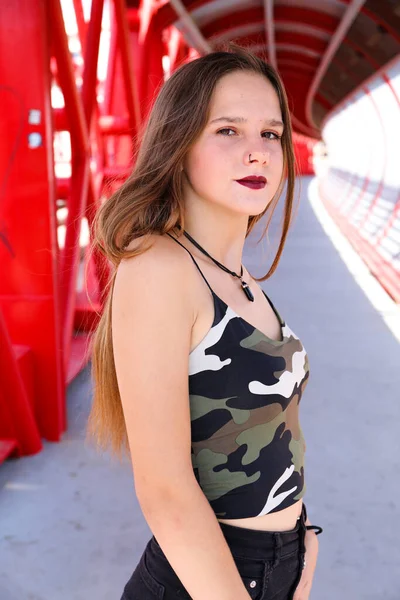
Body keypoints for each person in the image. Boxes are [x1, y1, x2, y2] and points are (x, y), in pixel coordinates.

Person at [87, 44, 323, 600]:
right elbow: (166, 491)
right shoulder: (161, 267)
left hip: (280, 566)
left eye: (271, 134)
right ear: (180, 142)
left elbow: (277, 428)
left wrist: (303, 547)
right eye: (228, 131)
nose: (258, 152)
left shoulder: (240, 278)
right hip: (207, 578)